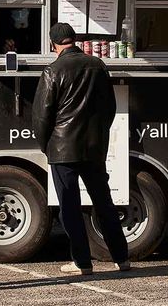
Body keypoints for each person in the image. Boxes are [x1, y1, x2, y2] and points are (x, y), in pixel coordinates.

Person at [33, 22, 130, 275]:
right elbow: (109, 107)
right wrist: (99, 135)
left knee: (70, 206)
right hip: (94, 147)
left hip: (62, 148)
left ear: (53, 44)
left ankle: (82, 262)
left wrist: (46, 146)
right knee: (104, 202)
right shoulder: (98, 66)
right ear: (74, 40)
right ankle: (122, 258)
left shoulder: (52, 71)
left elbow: (42, 116)